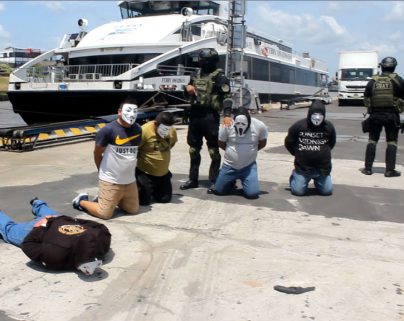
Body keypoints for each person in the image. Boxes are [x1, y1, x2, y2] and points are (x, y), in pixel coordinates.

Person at [0, 197, 111, 276]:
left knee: (47, 213)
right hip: (43, 226)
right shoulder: (57, 256)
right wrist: (43, 226)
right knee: (9, 229)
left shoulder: (101, 239)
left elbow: (99, 226)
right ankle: (38, 205)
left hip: (55, 220)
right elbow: (27, 245)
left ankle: (38, 203)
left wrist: (66, 220)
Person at [72, 99, 142, 219]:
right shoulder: (108, 131)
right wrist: (102, 171)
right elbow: (97, 153)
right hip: (111, 180)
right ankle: (81, 201)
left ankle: (105, 199)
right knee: (105, 214)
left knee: (133, 209)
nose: (132, 114)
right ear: (119, 112)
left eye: (135, 111)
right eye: (128, 110)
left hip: (130, 180)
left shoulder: (138, 129)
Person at [180, 48, 233, 191]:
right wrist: (187, 88)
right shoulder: (195, 74)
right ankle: (193, 179)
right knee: (193, 149)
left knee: (213, 150)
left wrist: (227, 115)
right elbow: (187, 92)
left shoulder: (220, 77)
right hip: (195, 115)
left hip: (210, 116)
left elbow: (227, 97)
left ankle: (215, 180)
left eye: (203, 60)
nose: (201, 63)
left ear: (210, 62)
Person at [211, 107, 268, 199]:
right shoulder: (227, 125)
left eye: (243, 124)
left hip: (248, 167)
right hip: (229, 166)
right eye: (238, 124)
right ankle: (230, 180)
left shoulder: (259, 125)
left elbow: (263, 142)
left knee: (252, 194)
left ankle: (246, 181)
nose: (240, 126)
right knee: (219, 191)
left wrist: (250, 152)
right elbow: (221, 142)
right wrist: (231, 152)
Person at [361, 56, 404, 177]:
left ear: (382, 66)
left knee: (372, 140)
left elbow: (366, 99)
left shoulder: (373, 81)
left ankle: (368, 169)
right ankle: (390, 170)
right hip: (392, 116)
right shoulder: (399, 80)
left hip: (375, 116)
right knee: (392, 142)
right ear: (394, 66)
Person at [284, 99, 336, 196]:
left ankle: (318, 181)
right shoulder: (299, 126)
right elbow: (289, 142)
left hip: (322, 169)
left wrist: (322, 153)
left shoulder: (329, 127)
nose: (317, 118)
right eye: (314, 114)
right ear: (309, 114)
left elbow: (331, 143)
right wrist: (297, 154)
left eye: (320, 115)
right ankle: (294, 176)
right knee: (298, 192)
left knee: (327, 191)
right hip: (303, 168)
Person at [136, 111, 178, 205]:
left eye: (168, 129)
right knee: (144, 201)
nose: (166, 132)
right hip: (146, 173)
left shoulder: (172, 130)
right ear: (155, 124)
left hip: (163, 173)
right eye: (163, 130)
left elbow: (172, 143)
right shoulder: (144, 131)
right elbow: (135, 150)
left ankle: (156, 187)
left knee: (165, 199)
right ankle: (138, 184)